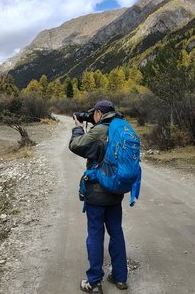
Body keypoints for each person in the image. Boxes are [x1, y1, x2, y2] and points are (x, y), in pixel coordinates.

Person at [69, 100, 128, 294]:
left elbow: (76, 145)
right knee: (116, 233)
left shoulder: (100, 130)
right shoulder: (122, 128)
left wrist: (78, 129)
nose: (91, 116)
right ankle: (120, 277)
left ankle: (94, 282)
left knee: (95, 235)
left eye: (93, 113)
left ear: (99, 113)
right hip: (116, 191)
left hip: (97, 191)